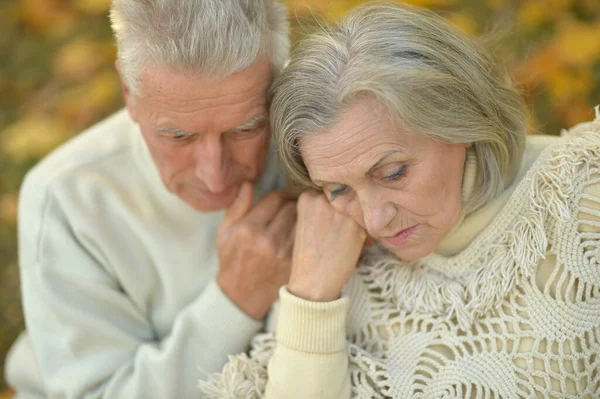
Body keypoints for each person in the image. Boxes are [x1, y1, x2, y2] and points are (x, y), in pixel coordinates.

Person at [201, 4, 600, 398]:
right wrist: (311, 300)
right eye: (338, 190)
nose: (375, 221)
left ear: (460, 120)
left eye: (393, 173)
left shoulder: (582, 196)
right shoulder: (332, 263)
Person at [4, 0, 295, 397]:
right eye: (178, 136)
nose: (214, 173)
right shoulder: (67, 198)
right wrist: (235, 302)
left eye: (245, 129)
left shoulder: (322, 150)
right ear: (129, 91)